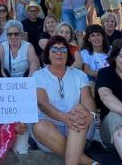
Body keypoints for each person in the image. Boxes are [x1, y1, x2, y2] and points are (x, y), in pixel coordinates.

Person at [31, 36, 96, 164]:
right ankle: (90, 162)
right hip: (50, 131)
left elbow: (87, 99)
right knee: (39, 126)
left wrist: (92, 115)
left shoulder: (79, 75)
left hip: (78, 127)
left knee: (79, 110)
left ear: (68, 54)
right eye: (54, 49)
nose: (59, 52)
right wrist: (64, 118)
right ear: (48, 54)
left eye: (63, 50)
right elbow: (42, 103)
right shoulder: (38, 75)